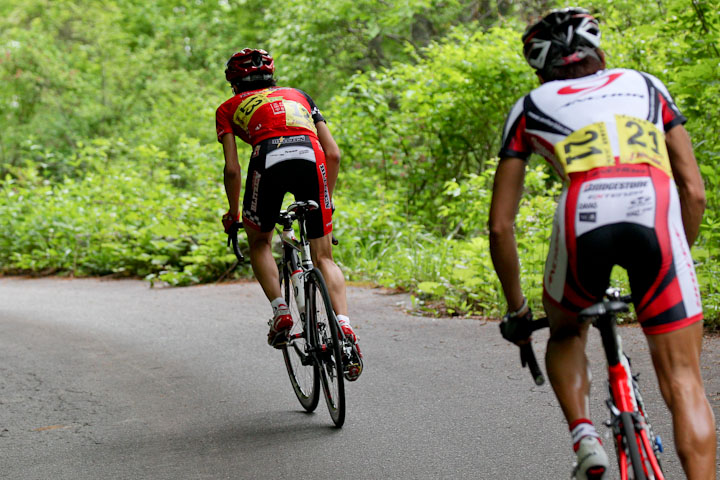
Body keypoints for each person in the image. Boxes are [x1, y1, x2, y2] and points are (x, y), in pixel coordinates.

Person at [488, 8, 715, 479]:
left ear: (541, 69)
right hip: (654, 212)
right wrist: (677, 260)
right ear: (601, 53)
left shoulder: (531, 105)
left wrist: (518, 312)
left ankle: (585, 436)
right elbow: (693, 190)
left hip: (581, 215)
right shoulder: (646, 85)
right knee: (685, 383)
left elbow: (500, 226)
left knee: (567, 331)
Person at [216, 48, 362, 381]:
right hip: (312, 157)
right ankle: (344, 326)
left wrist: (234, 212)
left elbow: (233, 169)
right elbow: (334, 153)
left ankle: (280, 311)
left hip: (267, 158)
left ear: (234, 83)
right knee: (325, 257)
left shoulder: (227, 108)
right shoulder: (300, 96)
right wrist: (327, 202)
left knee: (260, 241)